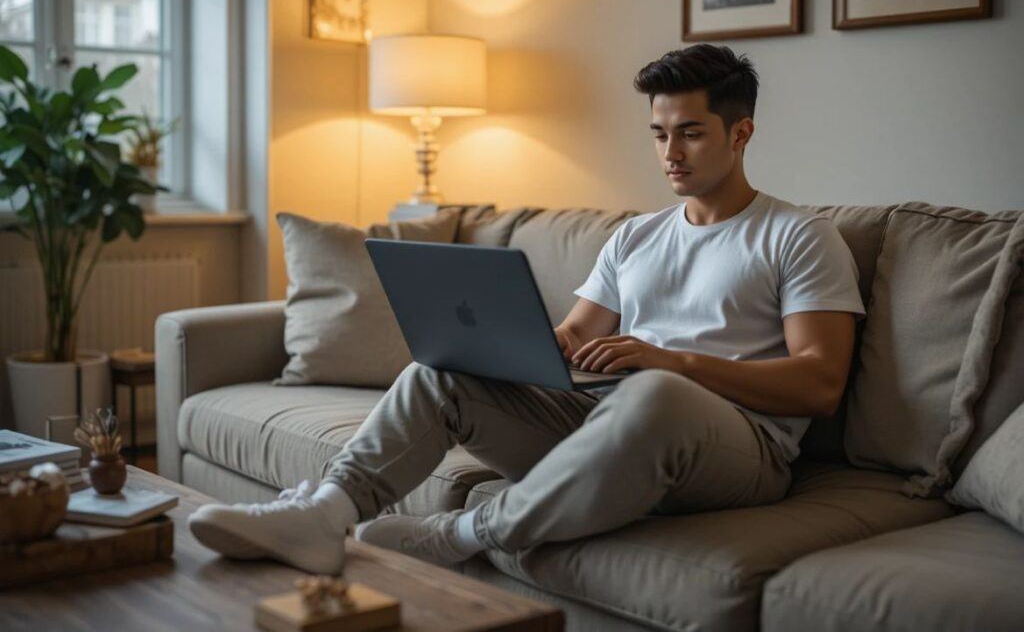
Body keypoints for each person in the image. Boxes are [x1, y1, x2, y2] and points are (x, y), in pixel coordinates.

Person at [187, 44, 865, 575]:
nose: (670, 153)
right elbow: (574, 334)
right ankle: (325, 512)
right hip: (612, 420)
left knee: (657, 391)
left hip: (741, 448)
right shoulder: (637, 235)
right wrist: (520, 345)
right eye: (658, 134)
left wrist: (671, 360)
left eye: (689, 133)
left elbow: (819, 381)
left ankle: (466, 534)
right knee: (438, 371)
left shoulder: (797, 235)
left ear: (741, 131)